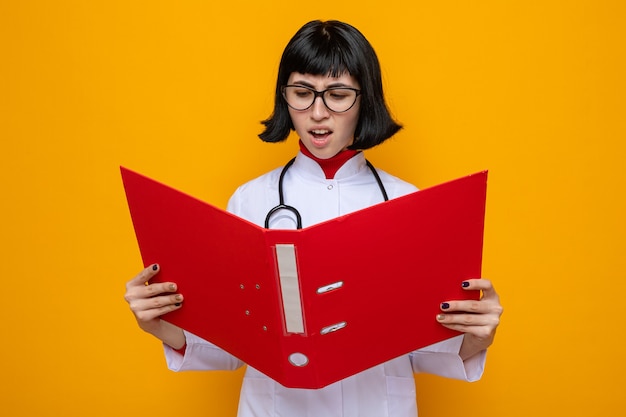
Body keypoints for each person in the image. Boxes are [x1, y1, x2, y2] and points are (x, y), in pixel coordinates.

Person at [124, 20, 503, 417]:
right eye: (302, 93)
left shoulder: (409, 203)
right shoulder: (252, 200)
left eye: (338, 95)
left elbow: (428, 350)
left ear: (365, 98)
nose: (318, 114)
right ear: (284, 97)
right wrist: (159, 324)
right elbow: (230, 346)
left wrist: (479, 334)